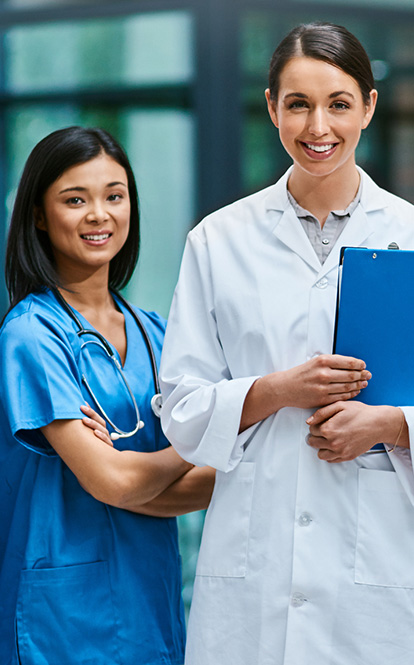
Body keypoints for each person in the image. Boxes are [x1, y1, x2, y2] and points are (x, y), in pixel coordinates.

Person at [159, 22, 414, 665]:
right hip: (255, 575)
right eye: (297, 103)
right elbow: (182, 409)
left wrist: (392, 424)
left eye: (338, 103)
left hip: (378, 577)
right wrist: (275, 391)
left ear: (369, 107)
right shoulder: (218, 240)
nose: (317, 126)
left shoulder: (411, 236)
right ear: (272, 108)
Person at [0, 126, 214, 665]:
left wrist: (133, 477)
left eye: (114, 196)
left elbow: (200, 484)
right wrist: (217, 432)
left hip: (152, 599)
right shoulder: (31, 336)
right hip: (62, 616)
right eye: (76, 199)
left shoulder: (156, 333)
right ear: (39, 215)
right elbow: (115, 481)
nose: (100, 214)